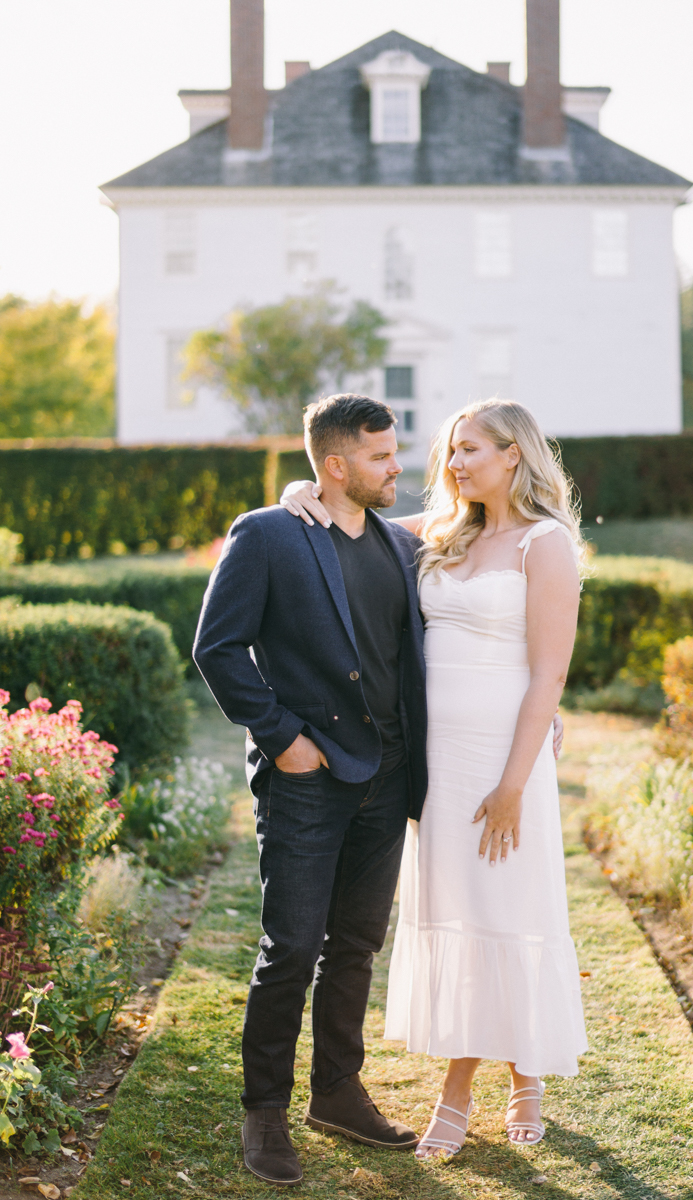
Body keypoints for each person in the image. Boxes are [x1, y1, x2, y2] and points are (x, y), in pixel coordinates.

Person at [281, 398, 586, 1158]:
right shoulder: (443, 536)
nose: (452, 464)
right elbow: (347, 519)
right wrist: (299, 494)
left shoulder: (545, 544)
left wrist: (514, 783)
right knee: (462, 912)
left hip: (504, 761)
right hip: (438, 763)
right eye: (450, 450)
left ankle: (483, 1088)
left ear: (514, 453)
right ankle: (508, 1076)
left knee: (508, 910)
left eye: (470, 449)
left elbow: (549, 674)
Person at [193, 394, 428, 1187]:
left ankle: (336, 1091)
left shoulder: (401, 542)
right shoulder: (267, 534)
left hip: (390, 779)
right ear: (335, 465)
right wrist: (282, 737)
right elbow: (217, 648)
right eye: (380, 456)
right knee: (290, 948)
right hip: (307, 782)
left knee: (356, 947)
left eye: (395, 452)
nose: (397, 466)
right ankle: (265, 1111)